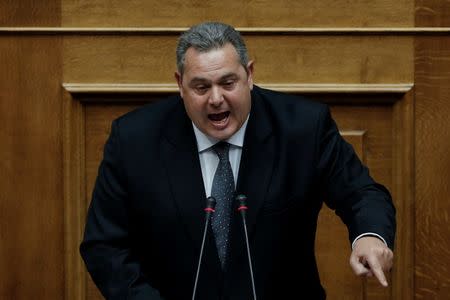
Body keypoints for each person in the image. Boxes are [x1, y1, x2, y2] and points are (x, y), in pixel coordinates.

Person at [80, 22, 396, 300]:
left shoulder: (303, 128)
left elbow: (362, 194)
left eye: (228, 83)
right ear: (180, 85)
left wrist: (369, 235)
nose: (216, 98)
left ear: (250, 75)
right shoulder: (135, 139)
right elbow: (104, 245)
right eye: (201, 87)